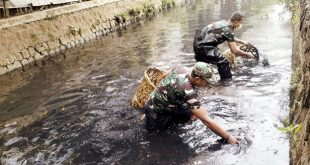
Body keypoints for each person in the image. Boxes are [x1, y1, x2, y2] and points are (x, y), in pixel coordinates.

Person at [144, 62, 238, 144]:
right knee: (154, 137)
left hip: (172, 103)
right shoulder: (188, 92)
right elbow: (207, 121)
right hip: (154, 110)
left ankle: (175, 119)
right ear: (197, 79)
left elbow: (164, 75)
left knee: (194, 115)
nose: (207, 85)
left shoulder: (183, 69)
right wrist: (228, 137)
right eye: (206, 82)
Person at [193, 11, 255, 81]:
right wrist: (248, 55)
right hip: (205, 46)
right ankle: (226, 82)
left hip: (198, 42)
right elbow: (234, 50)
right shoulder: (229, 30)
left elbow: (228, 36)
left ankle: (199, 80)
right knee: (223, 62)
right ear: (236, 22)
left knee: (203, 67)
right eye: (241, 22)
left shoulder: (224, 23)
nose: (241, 24)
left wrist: (241, 41)